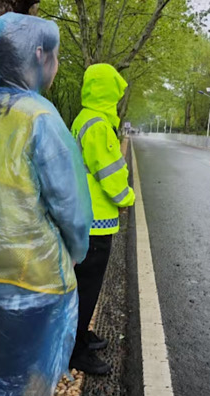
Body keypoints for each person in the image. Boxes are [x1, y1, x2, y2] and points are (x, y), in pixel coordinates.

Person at [0, 12, 93, 396]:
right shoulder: (41, 120)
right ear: (38, 55)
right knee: (5, 389)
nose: (57, 65)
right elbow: (70, 205)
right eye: (56, 56)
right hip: (29, 282)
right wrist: (77, 250)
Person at [69, 63, 136, 375]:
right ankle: (76, 350)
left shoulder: (85, 118)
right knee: (86, 288)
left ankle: (80, 335)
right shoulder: (98, 125)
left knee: (82, 286)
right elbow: (110, 172)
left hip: (83, 216)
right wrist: (127, 198)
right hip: (95, 222)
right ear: (108, 91)